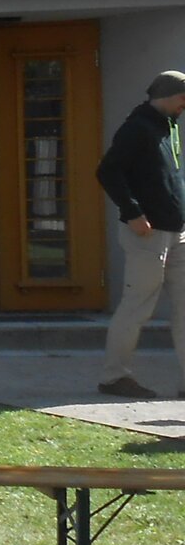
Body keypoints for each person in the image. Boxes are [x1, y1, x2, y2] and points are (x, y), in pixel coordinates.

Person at [95, 69, 185, 399]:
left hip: (177, 231)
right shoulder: (138, 127)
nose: (184, 106)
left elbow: (167, 177)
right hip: (148, 234)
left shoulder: (168, 126)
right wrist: (133, 213)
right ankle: (114, 376)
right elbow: (108, 171)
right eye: (182, 98)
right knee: (137, 306)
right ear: (166, 95)